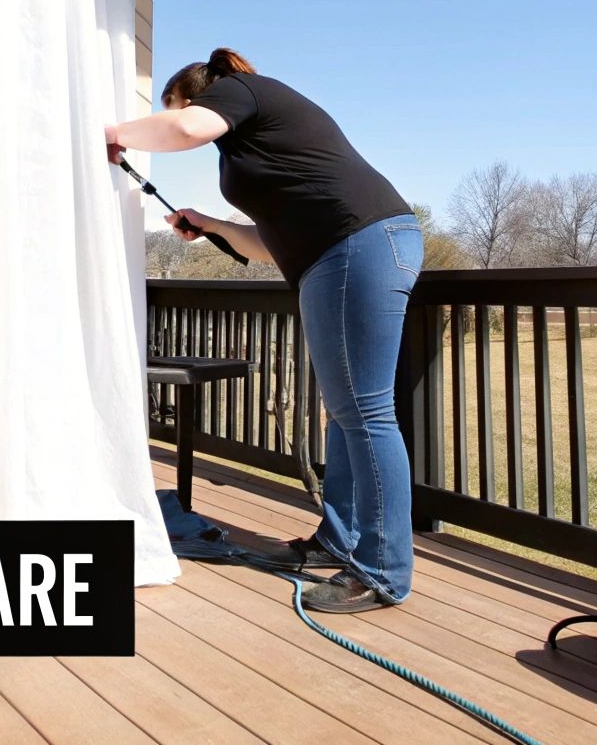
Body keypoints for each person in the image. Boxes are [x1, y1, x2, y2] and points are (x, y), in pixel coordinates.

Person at [104, 48, 422, 613]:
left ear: (198, 94)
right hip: (341, 253)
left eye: (172, 102)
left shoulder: (243, 92)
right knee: (347, 413)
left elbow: (182, 127)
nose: (174, 116)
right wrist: (210, 225)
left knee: (367, 413)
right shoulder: (254, 146)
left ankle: (382, 570)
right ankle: (340, 542)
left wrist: (111, 133)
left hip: (357, 246)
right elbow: (265, 244)